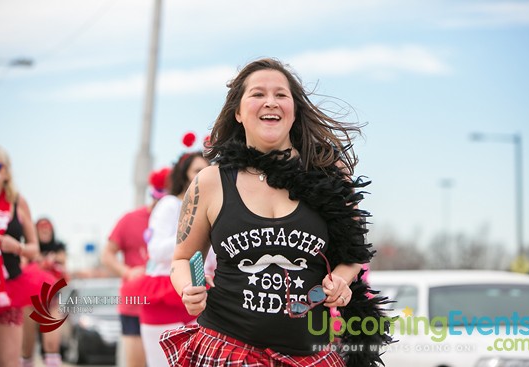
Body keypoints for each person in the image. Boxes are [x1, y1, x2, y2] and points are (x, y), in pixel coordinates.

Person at [160, 58, 391, 367]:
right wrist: (187, 288)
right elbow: (182, 258)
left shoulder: (331, 178)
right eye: (257, 94)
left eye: (281, 95)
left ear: (294, 110)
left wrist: (341, 281)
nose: (271, 101)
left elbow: (353, 254)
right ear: (239, 113)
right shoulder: (211, 181)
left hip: (310, 354)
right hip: (227, 348)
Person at [131, 152, 209, 367]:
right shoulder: (169, 204)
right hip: (164, 295)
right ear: (184, 175)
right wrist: (192, 235)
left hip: (201, 296)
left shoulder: (214, 208)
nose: (202, 176)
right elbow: (156, 251)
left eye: (206, 170)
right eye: (196, 171)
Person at [101, 167, 170, 367]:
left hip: (167, 302)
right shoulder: (130, 219)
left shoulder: (180, 220)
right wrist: (127, 272)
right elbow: (107, 254)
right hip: (135, 304)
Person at [0, 146, 40, 367]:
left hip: (10, 288)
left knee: (9, 361)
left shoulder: (18, 203)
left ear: (6, 172)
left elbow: (35, 248)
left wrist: (17, 247)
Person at [21, 217, 67, 367]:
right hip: (30, 301)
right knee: (27, 348)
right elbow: (21, 267)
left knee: (52, 345)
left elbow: (64, 270)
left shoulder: (59, 249)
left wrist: (51, 261)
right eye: (41, 228)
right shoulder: (28, 249)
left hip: (51, 301)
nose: (44, 231)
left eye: (47, 228)